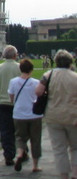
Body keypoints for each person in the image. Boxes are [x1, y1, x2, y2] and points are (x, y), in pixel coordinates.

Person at [34, 49, 77, 179]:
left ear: (56, 62)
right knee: (75, 147)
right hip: (73, 116)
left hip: (53, 116)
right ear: (70, 62)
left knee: (59, 149)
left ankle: (64, 175)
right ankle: (75, 173)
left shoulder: (48, 75)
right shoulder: (75, 77)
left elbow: (38, 92)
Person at [9, 58, 43, 172]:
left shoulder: (13, 82)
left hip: (19, 114)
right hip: (34, 114)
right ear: (31, 70)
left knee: (20, 137)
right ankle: (35, 165)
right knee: (35, 140)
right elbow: (39, 97)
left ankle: (19, 155)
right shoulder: (36, 82)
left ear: (20, 69)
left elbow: (11, 99)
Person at [0, 45, 21, 165]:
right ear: (15, 55)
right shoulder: (20, 67)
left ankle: (8, 156)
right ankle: (22, 152)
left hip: (3, 103)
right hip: (18, 103)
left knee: (6, 131)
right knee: (20, 130)